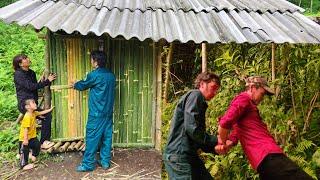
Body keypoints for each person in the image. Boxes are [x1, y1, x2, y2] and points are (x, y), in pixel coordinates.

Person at [217, 76, 313, 180]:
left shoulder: (248, 109)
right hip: (268, 155)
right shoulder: (244, 98)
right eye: (262, 94)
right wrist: (222, 142)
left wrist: (226, 144)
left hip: (263, 160)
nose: (262, 98)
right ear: (252, 88)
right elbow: (225, 123)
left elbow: (235, 134)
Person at [163, 72, 222, 180]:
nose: (215, 93)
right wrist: (216, 140)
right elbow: (192, 129)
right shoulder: (196, 95)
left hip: (189, 156)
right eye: (213, 88)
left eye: (216, 90)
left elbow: (197, 136)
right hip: (179, 156)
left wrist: (214, 148)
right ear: (202, 84)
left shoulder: (198, 101)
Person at [73, 50, 115, 172]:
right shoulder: (111, 75)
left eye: (92, 59)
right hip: (107, 113)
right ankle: (105, 161)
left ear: (95, 61)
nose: (91, 61)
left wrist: (75, 84)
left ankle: (88, 164)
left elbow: (83, 85)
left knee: (91, 138)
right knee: (106, 137)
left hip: (96, 114)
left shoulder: (94, 75)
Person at [13, 54, 56, 149]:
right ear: (20, 64)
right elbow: (30, 86)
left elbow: (35, 87)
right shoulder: (18, 74)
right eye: (24, 59)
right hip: (25, 104)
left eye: (27, 57)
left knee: (45, 116)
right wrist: (47, 81)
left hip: (33, 103)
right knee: (31, 123)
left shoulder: (31, 72)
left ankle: (41, 143)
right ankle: (28, 147)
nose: (28, 59)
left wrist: (43, 82)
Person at [19, 99, 54, 170]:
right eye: (33, 103)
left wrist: (50, 109)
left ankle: (33, 156)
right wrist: (25, 139)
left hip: (32, 137)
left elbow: (42, 112)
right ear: (27, 107)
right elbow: (25, 129)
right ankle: (23, 165)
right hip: (24, 139)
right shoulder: (27, 116)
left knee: (37, 145)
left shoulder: (34, 113)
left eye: (35, 102)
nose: (35, 104)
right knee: (24, 152)